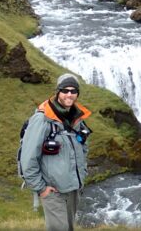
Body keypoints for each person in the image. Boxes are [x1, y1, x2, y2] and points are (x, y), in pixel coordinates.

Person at [21, 73, 92, 231]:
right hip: (54, 191)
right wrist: (41, 188)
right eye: (65, 90)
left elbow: (83, 146)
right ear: (57, 92)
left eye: (73, 91)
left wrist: (82, 172)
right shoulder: (42, 120)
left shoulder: (76, 117)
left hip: (73, 188)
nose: (69, 94)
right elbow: (28, 159)